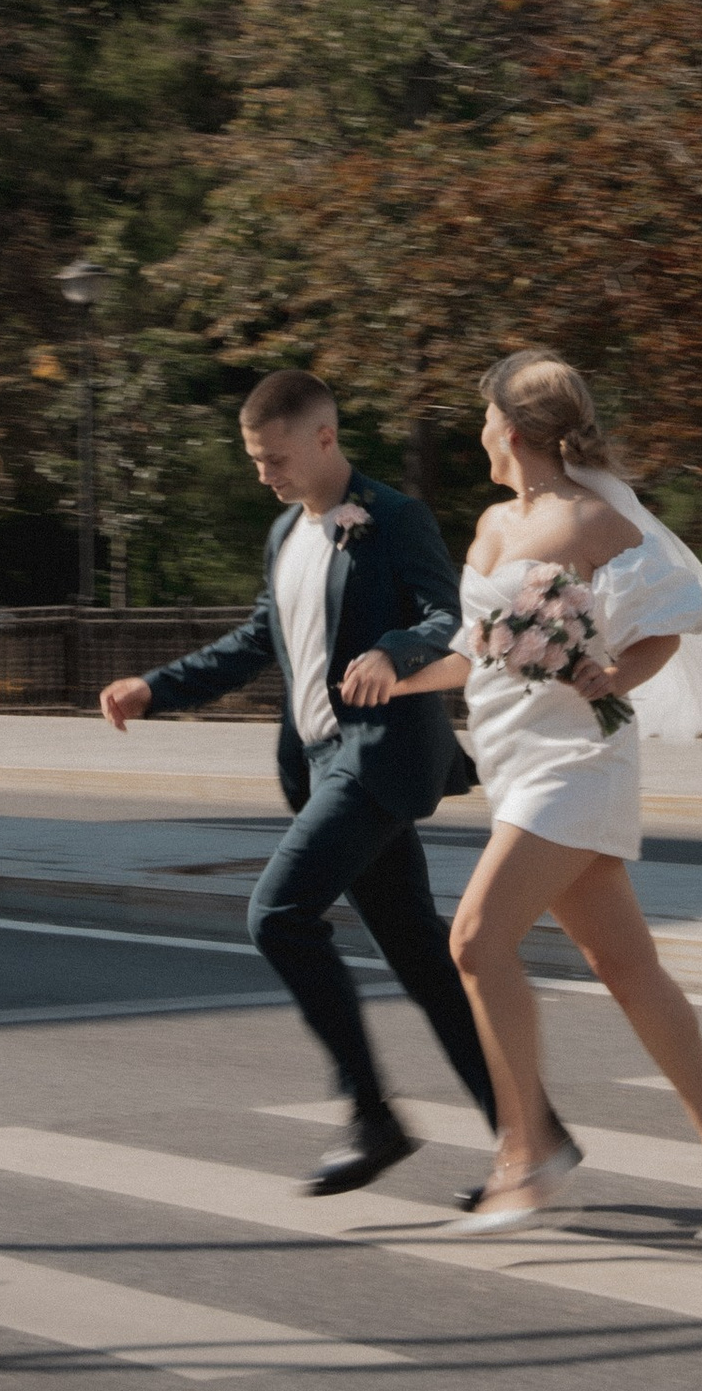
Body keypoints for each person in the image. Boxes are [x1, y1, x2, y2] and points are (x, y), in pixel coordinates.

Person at [374, 349, 702, 1237]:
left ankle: (527, 1154)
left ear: (514, 428)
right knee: (627, 968)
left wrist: (613, 673)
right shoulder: (493, 524)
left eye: (487, 418)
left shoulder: (594, 521)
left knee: (475, 940)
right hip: (513, 758)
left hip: (577, 762)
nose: (480, 432)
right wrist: (397, 681)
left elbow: (675, 616)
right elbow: (476, 652)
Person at [98, 370, 497, 1196]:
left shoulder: (393, 517)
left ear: (324, 438)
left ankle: (372, 1116)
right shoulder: (286, 531)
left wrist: (393, 650)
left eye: (274, 458)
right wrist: (154, 688)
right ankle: (532, 1136)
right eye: (253, 459)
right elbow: (259, 639)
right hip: (320, 766)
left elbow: (450, 618)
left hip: (377, 757)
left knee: (278, 916)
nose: (263, 474)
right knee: (422, 961)